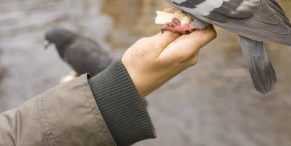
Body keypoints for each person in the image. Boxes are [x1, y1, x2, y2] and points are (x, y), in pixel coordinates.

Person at [0, 25, 217, 146]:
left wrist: (126, 83)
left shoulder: (73, 50)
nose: (48, 43)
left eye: (49, 39)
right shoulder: (77, 41)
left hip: (102, 74)